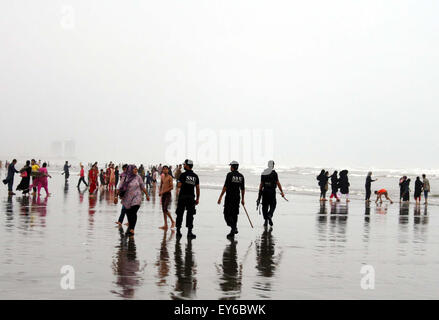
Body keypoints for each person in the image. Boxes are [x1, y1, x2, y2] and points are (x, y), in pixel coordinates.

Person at [115, 165, 150, 235]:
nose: (136, 170)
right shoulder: (125, 177)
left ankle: (132, 229)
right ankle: (131, 226)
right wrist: (116, 196)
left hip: (137, 197)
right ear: (130, 170)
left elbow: (142, 186)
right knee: (129, 213)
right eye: (134, 169)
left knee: (133, 212)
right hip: (127, 198)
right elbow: (119, 187)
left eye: (136, 169)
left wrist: (146, 195)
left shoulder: (138, 177)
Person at [217, 161, 245, 239]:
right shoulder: (241, 176)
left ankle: (233, 227)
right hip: (237, 198)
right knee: (235, 214)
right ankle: (233, 229)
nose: (230, 167)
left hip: (229, 197)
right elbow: (242, 189)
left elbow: (225, 186)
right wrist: (243, 199)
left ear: (232, 167)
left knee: (226, 214)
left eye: (231, 166)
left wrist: (220, 197)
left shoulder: (229, 175)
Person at [175, 159, 200, 239]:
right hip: (191, 197)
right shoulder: (195, 176)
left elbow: (178, 185)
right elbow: (197, 188)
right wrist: (198, 198)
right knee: (190, 215)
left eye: (184, 164)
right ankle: (189, 232)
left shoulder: (183, 175)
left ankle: (178, 231)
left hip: (182, 197)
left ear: (187, 165)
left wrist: (180, 182)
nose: (183, 166)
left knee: (180, 214)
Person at [257, 160, 284, 227]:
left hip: (265, 192)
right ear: (273, 165)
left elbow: (261, 185)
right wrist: (282, 192)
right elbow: (278, 183)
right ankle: (270, 215)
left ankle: (266, 221)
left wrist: (259, 196)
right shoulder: (274, 173)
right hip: (272, 193)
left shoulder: (263, 173)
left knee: (265, 207)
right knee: (273, 204)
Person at [158, 165, 176, 230]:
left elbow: (171, 187)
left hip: (168, 194)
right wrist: (160, 191)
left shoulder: (170, 177)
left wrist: (163, 192)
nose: (165, 170)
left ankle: (172, 221)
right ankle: (165, 225)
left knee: (165, 208)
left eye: (166, 169)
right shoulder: (162, 177)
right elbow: (161, 185)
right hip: (163, 195)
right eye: (164, 169)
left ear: (168, 170)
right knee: (163, 210)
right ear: (162, 170)